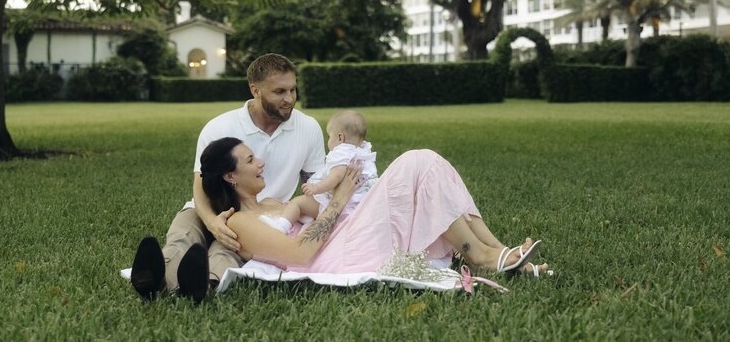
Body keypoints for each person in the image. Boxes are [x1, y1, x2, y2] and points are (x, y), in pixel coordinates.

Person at [133, 137, 549, 297]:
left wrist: (339, 195)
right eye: (250, 160)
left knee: (429, 166)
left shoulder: (274, 201)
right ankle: (483, 256)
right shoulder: (239, 222)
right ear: (229, 175)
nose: (261, 163)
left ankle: (497, 250)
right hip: (336, 256)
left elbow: (330, 211)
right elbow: (300, 255)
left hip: (348, 232)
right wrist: (339, 199)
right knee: (417, 162)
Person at [130, 54, 325, 302]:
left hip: (258, 216)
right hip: (210, 207)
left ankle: (203, 285)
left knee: (226, 250)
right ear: (255, 90)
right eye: (279, 92)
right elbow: (200, 184)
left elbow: (316, 187)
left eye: (292, 89)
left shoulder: (308, 128)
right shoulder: (220, 127)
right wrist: (213, 222)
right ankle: (154, 279)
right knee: (183, 235)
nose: (289, 98)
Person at [284, 110, 378, 222]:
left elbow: (336, 176)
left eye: (329, 136)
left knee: (297, 203)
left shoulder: (341, 152)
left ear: (340, 137)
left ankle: (281, 225)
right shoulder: (364, 152)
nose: (328, 140)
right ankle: (308, 218)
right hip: (362, 204)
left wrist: (316, 187)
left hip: (340, 204)